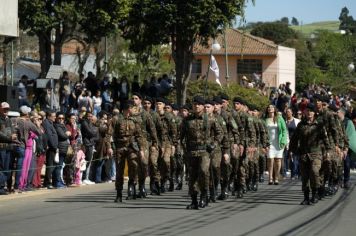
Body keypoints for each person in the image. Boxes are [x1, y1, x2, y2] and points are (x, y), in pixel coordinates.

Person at [181, 96, 223, 209]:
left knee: (204, 171)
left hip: (205, 151)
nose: (196, 106)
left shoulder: (209, 118)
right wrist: (182, 148)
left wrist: (213, 144)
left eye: (198, 104)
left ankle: (204, 195)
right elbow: (180, 136)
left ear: (203, 106)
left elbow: (220, 133)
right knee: (192, 176)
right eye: (194, 104)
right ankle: (194, 200)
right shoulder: (187, 120)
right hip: (192, 151)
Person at [289, 104, 330, 205]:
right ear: (305, 113)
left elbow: (325, 139)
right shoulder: (301, 125)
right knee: (305, 176)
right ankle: (306, 197)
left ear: (314, 113)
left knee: (314, 171)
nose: (309, 113)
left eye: (311, 111)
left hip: (316, 153)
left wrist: (328, 151)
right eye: (307, 111)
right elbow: (294, 139)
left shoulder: (319, 125)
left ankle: (315, 194)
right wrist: (292, 150)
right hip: (304, 153)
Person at [113, 100, 144, 203]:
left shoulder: (135, 120)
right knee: (119, 171)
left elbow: (139, 136)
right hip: (120, 148)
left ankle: (132, 187)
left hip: (132, 147)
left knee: (133, 166)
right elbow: (110, 134)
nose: (132, 110)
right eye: (130, 108)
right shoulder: (117, 120)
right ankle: (119, 193)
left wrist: (141, 149)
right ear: (126, 109)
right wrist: (110, 147)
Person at [264, 104, 288, 185]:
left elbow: (284, 130)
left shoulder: (279, 118)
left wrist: (284, 141)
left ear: (274, 109)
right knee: (270, 159)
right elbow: (263, 132)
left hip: (278, 142)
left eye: (272, 107)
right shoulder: (265, 119)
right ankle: (270, 178)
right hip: (269, 143)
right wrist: (264, 144)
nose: (270, 108)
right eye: (269, 107)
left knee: (278, 160)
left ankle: (276, 177)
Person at [0, 102, 19, 194]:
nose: (6, 111)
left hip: (9, 147)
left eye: (7, 109)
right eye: (4, 109)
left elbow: (12, 130)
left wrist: (14, 136)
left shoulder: (8, 119)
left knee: (7, 168)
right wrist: (9, 137)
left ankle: (3, 186)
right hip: (2, 147)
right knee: (2, 167)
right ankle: (1, 187)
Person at [54, 112, 70, 188]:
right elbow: (63, 136)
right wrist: (67, 133)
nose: (61, 120)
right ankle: (57, 182)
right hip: (60, 148)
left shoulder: (63, 126)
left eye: (62, 118)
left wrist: (67, 133)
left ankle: (59, 181)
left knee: (60, 166)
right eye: (59, 118)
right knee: (58, 166)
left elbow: (69, 134)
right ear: (56, 118)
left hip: (64, 148)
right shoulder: (57, 126)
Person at [43, 110, 58, 189]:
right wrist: (54, 146)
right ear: (49, 116)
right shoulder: (46, 123)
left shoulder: (50, 123)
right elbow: (49, 135)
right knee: (50, 165)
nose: (55, 117)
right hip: (51, 148)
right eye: (54, 116)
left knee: (52, 165)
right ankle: (47, 182)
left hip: (53, 147)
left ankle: (47, 181)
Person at [285, 108, 301, 179]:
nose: (287, 113)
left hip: (295, 141)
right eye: (286, 112)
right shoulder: (284, 121)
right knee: (287, 157)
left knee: (295, 157)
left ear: (292, 113)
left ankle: (296, 173)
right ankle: (288, 173)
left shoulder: (297, 121)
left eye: (289, 112)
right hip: (287, 141)